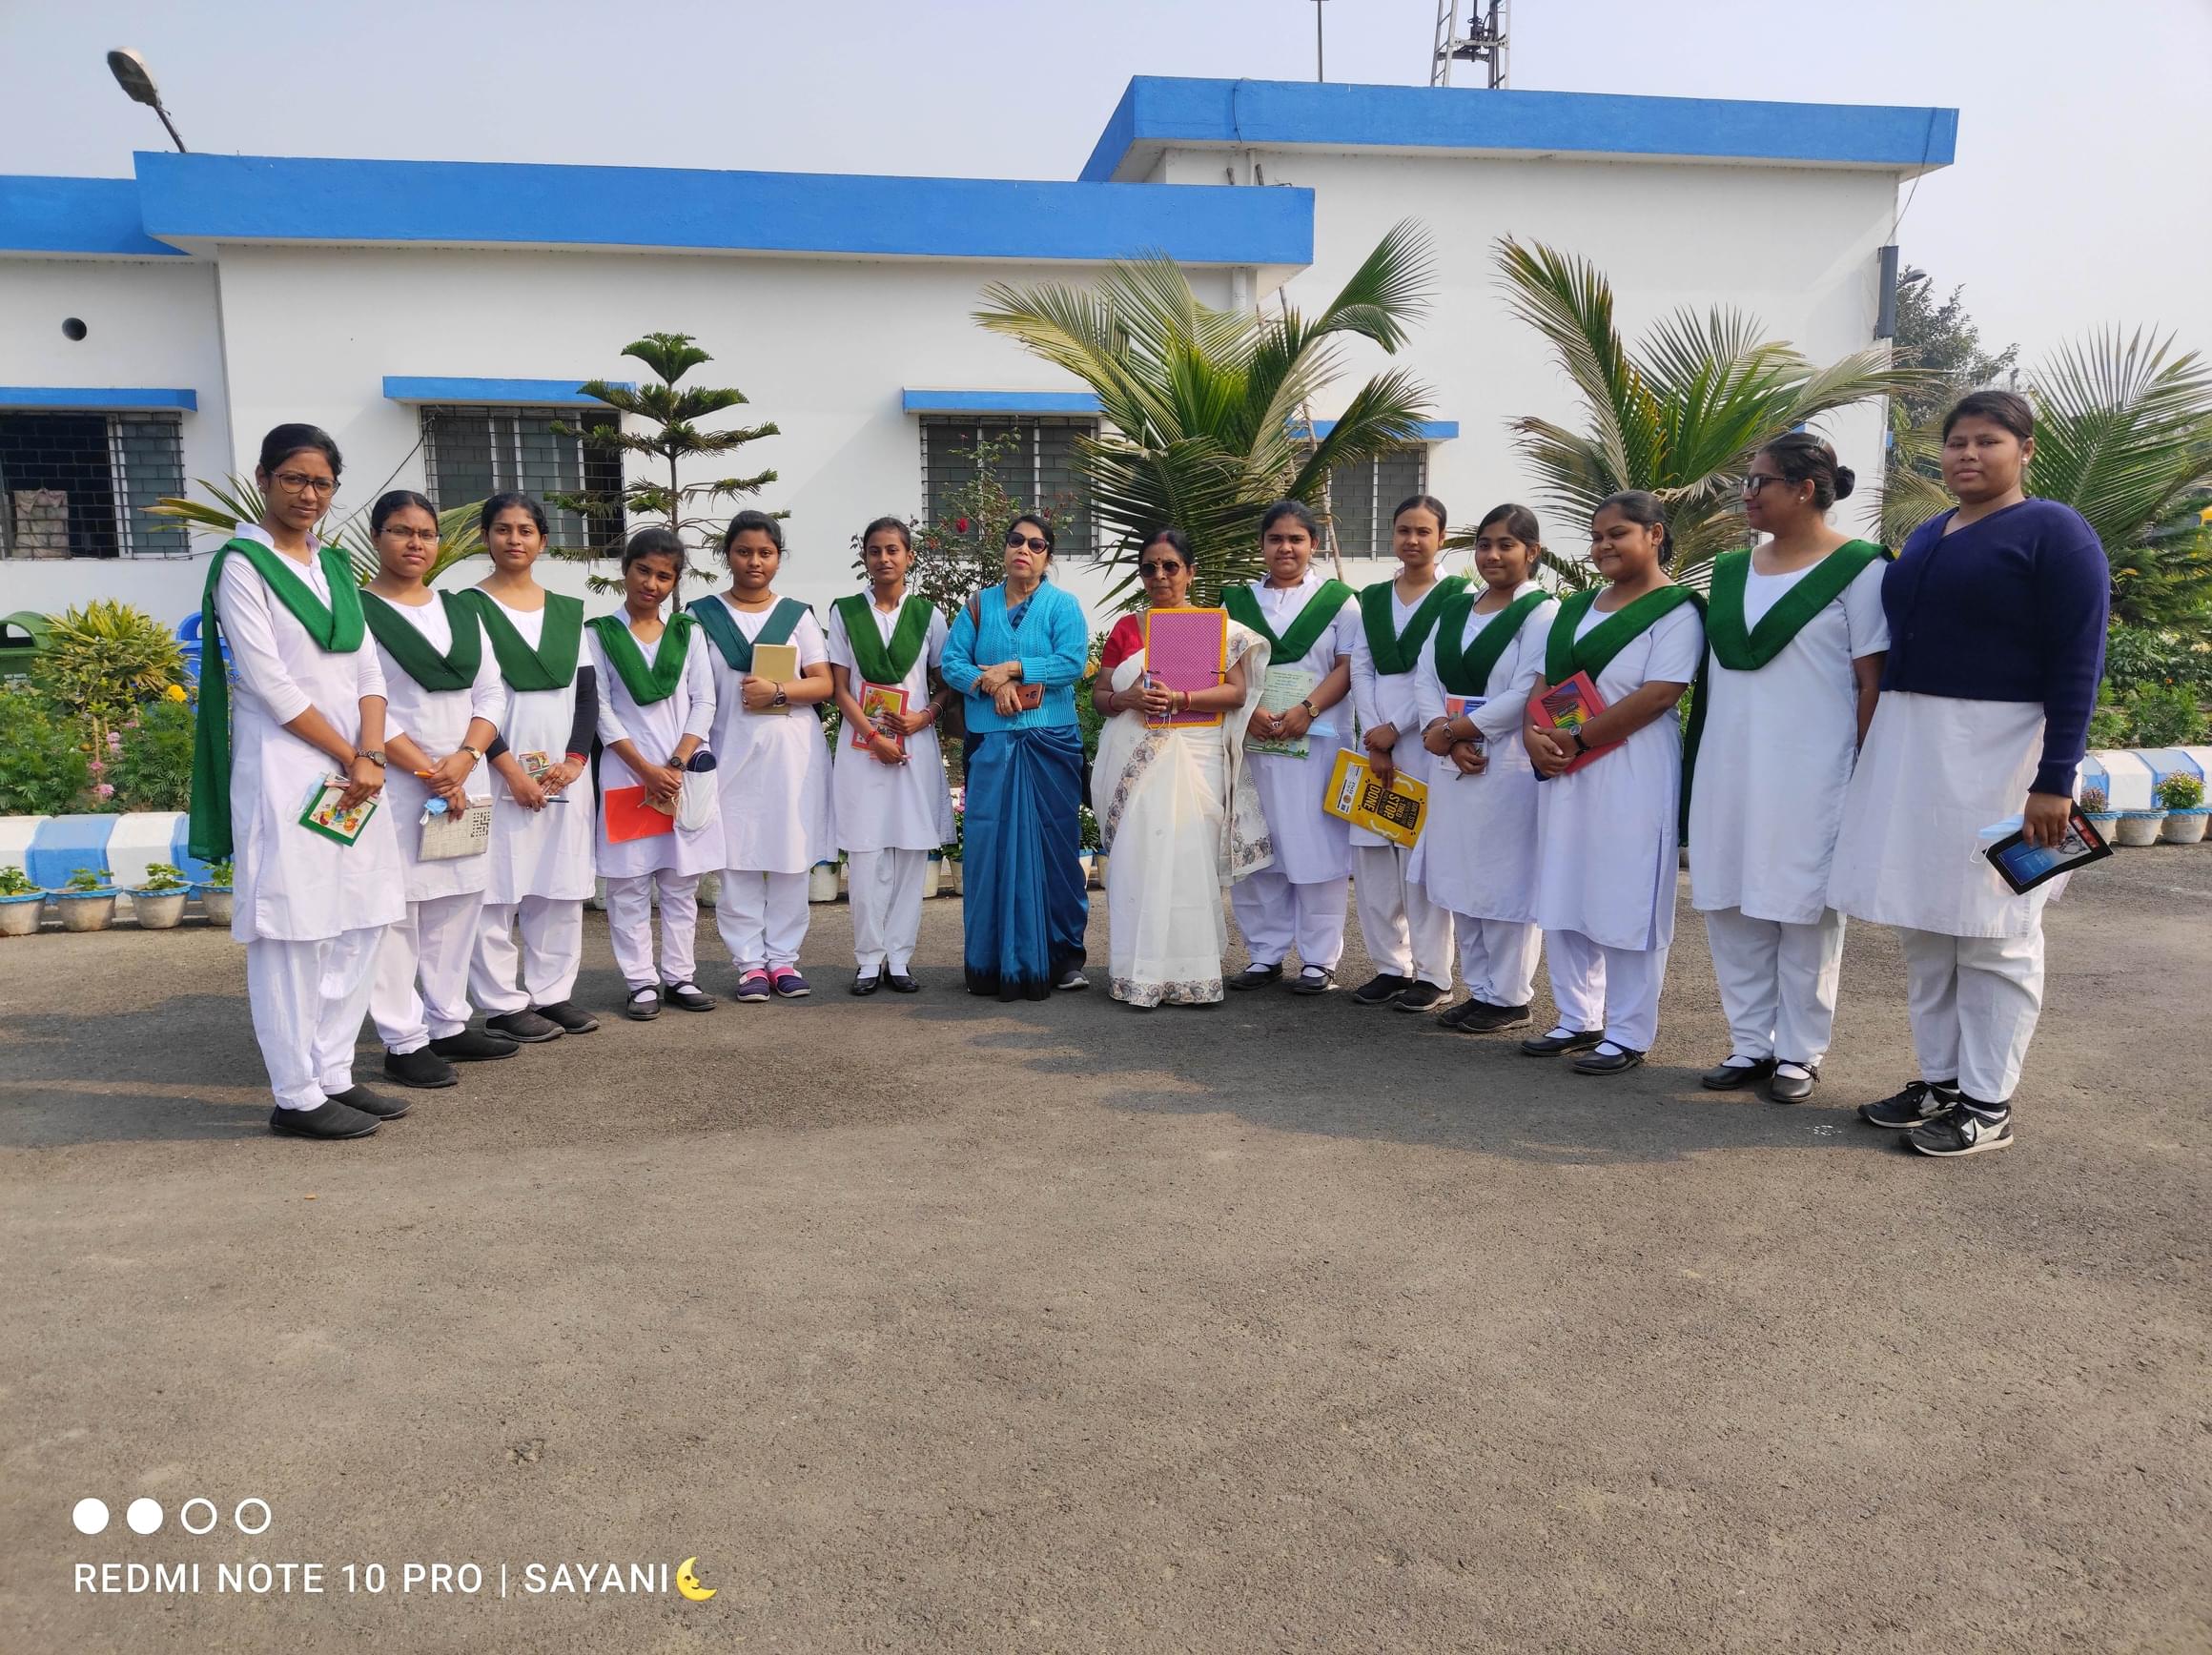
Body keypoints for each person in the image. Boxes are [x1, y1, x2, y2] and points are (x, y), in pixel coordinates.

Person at [1830, 390, 2108, 1156]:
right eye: (1957, 442)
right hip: (1915, 747)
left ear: (2026, 450)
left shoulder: (2058, 532)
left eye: (1989, 440)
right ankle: (1942, 1080)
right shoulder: (1928, 532)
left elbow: (2079, 662)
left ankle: (1988, 1104)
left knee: (1997, 930)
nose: (1968, 454)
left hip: (2007, 753)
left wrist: (2054, 779)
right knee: (1925, 923)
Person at [186, 422, 405, 1139]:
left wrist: (370, 754)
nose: (309, 494)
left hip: (357, 773)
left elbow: (369, 671)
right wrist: (352, 755)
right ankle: (295, 1093)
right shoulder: (242, 566)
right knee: (292, 928)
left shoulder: (334, 566)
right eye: (294, 479)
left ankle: (334, 1071)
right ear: (264, 479)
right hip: (287, 770)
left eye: (322, 483)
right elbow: (269, 683)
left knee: (362, 916)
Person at [1690, 436, 1888, 1103]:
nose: (1747, 494)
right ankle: (1750, 1043)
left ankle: (1800, 1053)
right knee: (1731, 905)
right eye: (1746, 481)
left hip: (1813, 772)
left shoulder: (1860, 569)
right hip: (1729, 764)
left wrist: (1865, 771)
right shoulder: (1730, 571)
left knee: (1803, 912)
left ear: (1805, 489)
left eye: (1761, 482)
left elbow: (1872, 681)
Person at [1522, 491, 1705, 1075]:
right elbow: (1544, 682)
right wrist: (1532, 735)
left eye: (1617, 534)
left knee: (1628, 891)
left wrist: (1578, 739)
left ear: (1655, 535)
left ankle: (1628, 1031)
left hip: (1633, 766)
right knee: (1565, 884)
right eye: (1597, 536)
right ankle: (1577, 1016)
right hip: (1564, 766)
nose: (1603, 546)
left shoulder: (1676, 610)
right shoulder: (1575, 608)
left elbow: (1660, 694)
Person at [358, 490, 516, 1088]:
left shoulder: (461, 612)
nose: (416, 544)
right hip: (401, 782)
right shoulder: (360, 612)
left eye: (426, 534)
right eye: (402, 531)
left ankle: (448, 1021)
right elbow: (364, 702)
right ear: (377, 537)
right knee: (399, 908)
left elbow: (492, 693)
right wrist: (431, 771)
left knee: (460, 896)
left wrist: (466, 757)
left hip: (465, 774)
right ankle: (403, 1038)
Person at [1089, 529, 1272, 1007]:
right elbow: (1100, 697)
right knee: (1138, 861)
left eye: (1170, 566)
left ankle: (1193, 973)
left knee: (1189, 862)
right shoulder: (1127, 629)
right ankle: (1137, 973)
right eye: (1149, 567)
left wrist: (1182, 698)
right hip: (1136, 754)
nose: (1160, 575)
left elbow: (1236, 693)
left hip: (1197, 751)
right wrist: (1127, 699)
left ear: (1190, 572)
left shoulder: (1216, 629)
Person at [1412, 504, 1559, 1032]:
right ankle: (1479, 990)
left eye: (1506, 545)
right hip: (1454, 759)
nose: (1492, 555)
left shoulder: (1542, 612)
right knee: (1460, 875)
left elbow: (1526, 691)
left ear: (1532, 552)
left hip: (1508, 762)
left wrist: (1456, 732)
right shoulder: (1456, 609)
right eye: (1484, 545)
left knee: (1503, 878)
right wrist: (1442, 732)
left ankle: (1511, 996)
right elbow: (1426, 676)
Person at [462, 492, 601, 1042]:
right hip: (497, 771)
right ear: (485, 537)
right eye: (502, 529)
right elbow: (473, 699)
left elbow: (586, 695)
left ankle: (553, 994)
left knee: (559, 885)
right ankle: (501, 1002)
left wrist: (575, 760)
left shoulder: (568, 612)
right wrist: (511, 772)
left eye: (526, 530)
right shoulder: (467, 608)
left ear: (543, 540)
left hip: (565, 772)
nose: (514, 539)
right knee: (496, 889)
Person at [940, 514, 1092, 999]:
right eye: (1015, 540)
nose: (1023, 549)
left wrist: (1012, 667)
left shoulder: (1062, 606)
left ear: (1048, 556)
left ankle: (1064, 957)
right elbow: (951, 662)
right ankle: (988, 962)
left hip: (1049, 741)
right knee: (990, 850)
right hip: (990, 744)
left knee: (1055, 848)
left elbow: (1071, 662)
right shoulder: (977, 605)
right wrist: (989, 684)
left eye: (1036, 544)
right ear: (1004, 548)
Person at [688, 511, 835, 1003]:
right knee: (739, 859)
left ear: (778, 558)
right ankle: (749, 964)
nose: (755, 561)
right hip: (729, 750)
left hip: (792, 755)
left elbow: (824, 683)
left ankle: (784, 960)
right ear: (727, 555)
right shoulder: (700, 617)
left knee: (791, 857)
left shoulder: (797, 616)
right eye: (744, 551)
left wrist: (778, 691)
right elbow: (693, 689)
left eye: (765, 553)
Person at [1221, 500, 1359, 994]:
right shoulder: (1234, 603)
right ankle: (1265, 953)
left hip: (1315, 743)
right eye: (1275, 538)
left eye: (1296, 539)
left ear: (1313, 544)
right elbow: (1222, 669)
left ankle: (1319, 959)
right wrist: (1250, 710)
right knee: (1258, 845)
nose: (1286, 548)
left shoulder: (1340, 602)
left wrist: (1309, 709)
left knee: (1316, 848)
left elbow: (1348, 665)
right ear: (1261, 545)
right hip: (1254, 742)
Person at [589, 527, 721, 1021]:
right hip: (628, 775)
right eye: (643, 571)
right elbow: (600, 709)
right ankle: (640, 981)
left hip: (681, 777)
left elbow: (704, 701)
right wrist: (645, 769)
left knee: (681, 881)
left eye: (664, 576)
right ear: (625, 570)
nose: (651, 583)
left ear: (675, 581)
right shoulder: (599, 634)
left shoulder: (688, 633)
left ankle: (680, 976)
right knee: (629, 884)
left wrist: (676, 763)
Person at [826, 517, 955, 994]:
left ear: (909, 557)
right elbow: (839, 687)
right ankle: (868, 959)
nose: (884, 558)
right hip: (863, 747)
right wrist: (872, 735)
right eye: (875, 550)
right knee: (865, 856)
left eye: (893, 550)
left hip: (914, 744)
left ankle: (899, 958)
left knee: (911, 853)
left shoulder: (928, 615)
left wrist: (926, 716)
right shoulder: (845, 613)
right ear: (865, 557)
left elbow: (946, 681)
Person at [1347, 494, 1467, 1010]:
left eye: (1423, 531)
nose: (1412, 540)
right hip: (1374, 743)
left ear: (1442, 538)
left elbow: (1435, 676)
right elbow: (1360, 667)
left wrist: (1396, 729)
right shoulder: (1373, 598)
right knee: (1373, 858)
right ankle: (1389, 967)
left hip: (1425, 742)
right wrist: (1375, 733)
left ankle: (1433, 975)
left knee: (1420, 862)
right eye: (1403, 530)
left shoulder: (1458, 597)